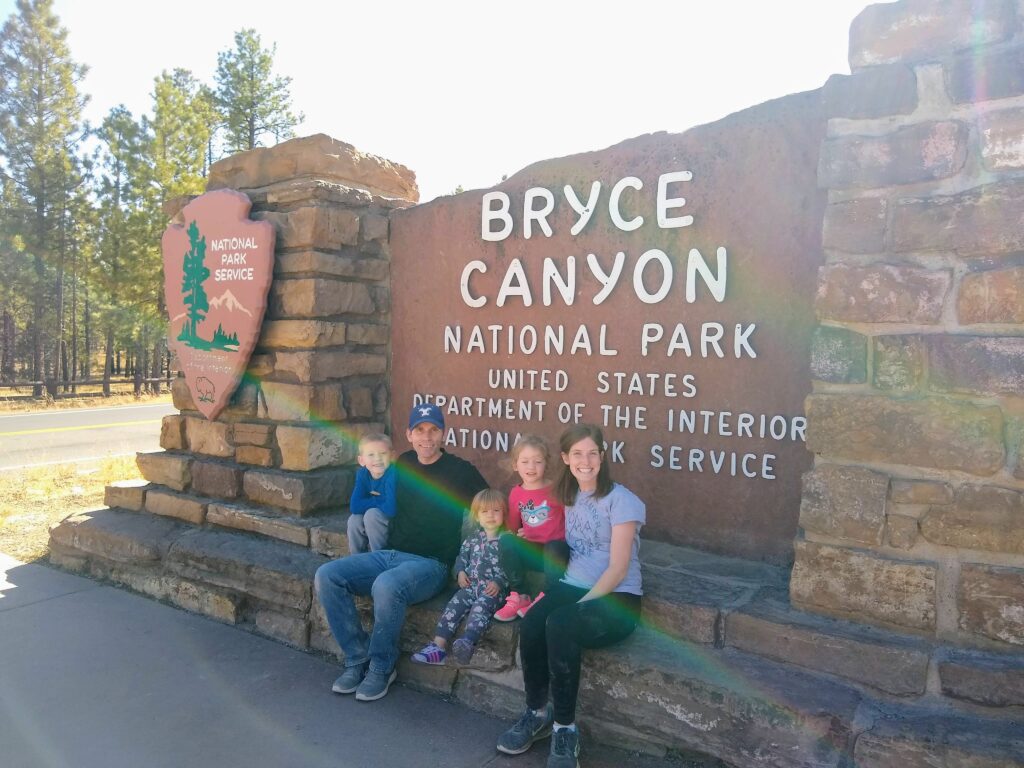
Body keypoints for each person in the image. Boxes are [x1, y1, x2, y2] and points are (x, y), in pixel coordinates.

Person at [314, 403, 488, 702]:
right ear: (409, 434)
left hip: (431, 564)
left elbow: (489, 506)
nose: (427, 437)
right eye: (419, 430)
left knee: (387, 584)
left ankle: (382, 666)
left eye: (433, 430)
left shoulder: (461, 471)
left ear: (443, 434)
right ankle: (357, 658)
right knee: (327, 575)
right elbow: (370, 485)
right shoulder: (402, 464)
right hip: (390, 554)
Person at [496, 424, 645, 768]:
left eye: (593, 452)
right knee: (533, 621)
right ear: (564, 458)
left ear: (603, 456)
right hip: (571, 583)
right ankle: (537, 713)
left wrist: (580, 603)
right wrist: (522, 532)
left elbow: (618, 569)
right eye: (577, 453)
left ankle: (565, 729)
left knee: (560, 624)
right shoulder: (569, 495)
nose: (585, 460)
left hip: (617, 597)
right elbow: (541, 521)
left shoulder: (622, 501)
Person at [411, 488, 508, 666]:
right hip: (470, 586)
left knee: (481, 607)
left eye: (496, 510)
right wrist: (460, 572)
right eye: (484, 511)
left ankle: (467, 642)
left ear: (504, 513)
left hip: (492, 590)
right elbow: (461, 559)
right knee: (454, 605)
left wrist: (499, 582)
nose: (490, 515)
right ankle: (438, 647)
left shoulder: (507, 541)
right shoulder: (472, 539)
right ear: (477, 516)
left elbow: (512, 568)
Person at [493, 435, 568, 621]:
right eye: (525, 461)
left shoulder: (556, 491)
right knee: (507, 540)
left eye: (537, 462)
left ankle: (546, 597)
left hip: (555, 556)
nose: (531, 467)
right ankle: (521, 595)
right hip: (532, 552)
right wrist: (520, 532)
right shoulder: (516, 493)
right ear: (515, 465)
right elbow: (512, 527)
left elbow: (572, 523)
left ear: (546, 464)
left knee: (554, 547)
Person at [346, 433, 397, 553]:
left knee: (372, 514)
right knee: (354, 520)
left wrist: (370, 502)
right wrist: (381, 499)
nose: (377, 458)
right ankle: (357, 560)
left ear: (392, 456)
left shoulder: (393, 474)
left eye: (383, 453)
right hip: (380, 516)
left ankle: (379, 557)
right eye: (371, 455)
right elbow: (355, 506)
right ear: (361, 460)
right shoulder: (363, 474)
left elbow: (391, 509)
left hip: (397, 522)